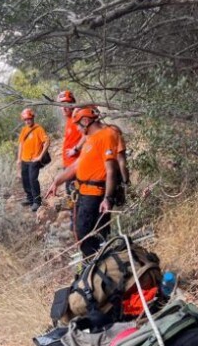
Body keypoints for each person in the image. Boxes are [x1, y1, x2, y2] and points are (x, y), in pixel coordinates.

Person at [46, 107, 122, 257]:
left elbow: (111, 170)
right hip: (84, 194)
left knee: (89, 236)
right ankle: (94, 267)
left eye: (79, 125)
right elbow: (76, 166)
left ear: (86, 121)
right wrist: (57, 181)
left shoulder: (106, 135)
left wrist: (107, 198)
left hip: (95, 196)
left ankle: (97, 268)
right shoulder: (90, 139)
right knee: (83, 234)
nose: (79, 130)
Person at [17, 108, 50, 212]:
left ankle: (37, 201)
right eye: (25, 119)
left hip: (34, 160)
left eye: (29, 119)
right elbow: (21, 144)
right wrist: (18, 159)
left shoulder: (39, 129)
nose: (27, 121)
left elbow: (47, 141)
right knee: (25, 180)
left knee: (32, 179)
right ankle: (30, 198)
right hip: (24, 160)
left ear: (32, 118)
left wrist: (40, 156)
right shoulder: (24, 130)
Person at [58, 91, 83, 203]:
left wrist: (76, 149)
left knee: (74, 193)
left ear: (73, 104)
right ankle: (72, 217)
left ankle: (75, 218)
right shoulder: (69, 119)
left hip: (75, 165)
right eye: (61, 105)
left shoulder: (78, 117)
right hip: (68, 164)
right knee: (70, 193)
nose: (64, 108)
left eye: (67, 104)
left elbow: (87, 136)